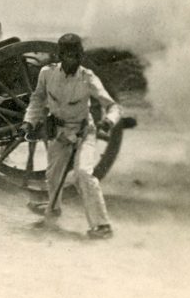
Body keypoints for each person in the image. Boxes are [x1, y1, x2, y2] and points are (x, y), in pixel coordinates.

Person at [20, 33, 120, 240]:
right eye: (67, 55)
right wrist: (29, 121)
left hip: (84, 133)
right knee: (53, 175)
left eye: (75, 55)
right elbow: (37, 99)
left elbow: (112, 106)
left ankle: (102, 226)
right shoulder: (46, 74)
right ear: (60, 55)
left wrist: (109, 121)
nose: (71, 60)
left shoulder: (88, 77)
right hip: (59, 133)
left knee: (83, 173)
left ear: (80, 55)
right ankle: (53, 210)